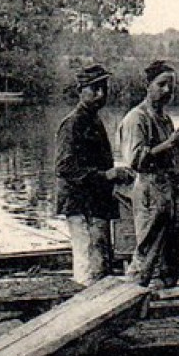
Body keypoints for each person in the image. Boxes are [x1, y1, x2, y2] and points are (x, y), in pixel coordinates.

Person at [118, 60, 179, 289]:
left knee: (171, 254)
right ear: (148, 85)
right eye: (161, 84)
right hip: (150, 190)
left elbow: (172, 158)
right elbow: (135, 160)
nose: (167, 91)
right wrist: (169, 143)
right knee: (148, 249)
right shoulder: (137, 118)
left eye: (171, 86)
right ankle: (132, 293)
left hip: (168, 191)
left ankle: (163, 293)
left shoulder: (165, 119)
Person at [54, 64, 134, 285]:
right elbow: (64, 168)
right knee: (88, 263)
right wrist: (107, 176)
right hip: (81, 204)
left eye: (104, 89)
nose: (101, 94)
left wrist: (116, 173)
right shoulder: (72, 123)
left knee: (100, 260)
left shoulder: (94, 120)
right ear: (81, 91)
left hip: (97, 203)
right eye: (94, 89)